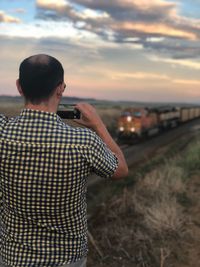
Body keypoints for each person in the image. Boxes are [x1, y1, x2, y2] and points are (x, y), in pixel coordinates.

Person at [0, 54, 128, 267]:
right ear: (61, 88)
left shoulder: (2, 131)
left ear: (19, 87)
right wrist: (98, 126)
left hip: (14, 257)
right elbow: (121, 169)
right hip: (67, 258)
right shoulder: (84, 142)